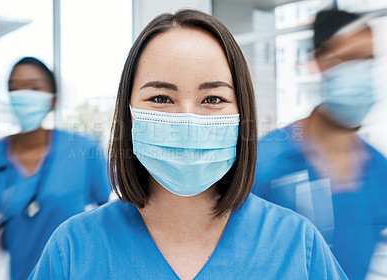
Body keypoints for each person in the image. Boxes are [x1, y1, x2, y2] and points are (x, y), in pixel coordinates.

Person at [29, 9, 347, 280]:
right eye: (161, 98)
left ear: (242, 113)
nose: (187, 120)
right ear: (129, 114)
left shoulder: (296, 246)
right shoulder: (73, 250)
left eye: (212, 99)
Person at [253, 9, 387, 280]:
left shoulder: (378, 170)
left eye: (368, 61)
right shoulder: (266, 161)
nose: (362, 73)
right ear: (319, 61)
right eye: (350, 59)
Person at [0, 57, 111, 280]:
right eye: (14, 88)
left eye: (34, 87)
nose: (23, 94)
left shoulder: (83, 150)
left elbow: (111, 218)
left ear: (52, 99)